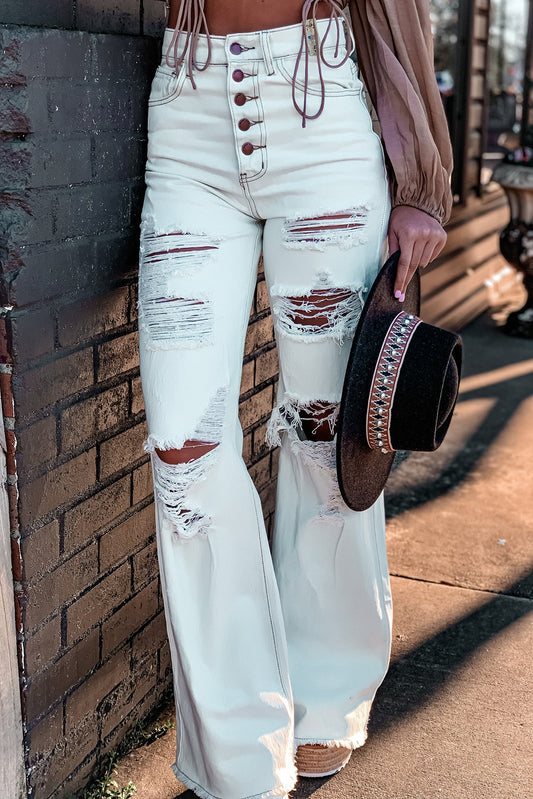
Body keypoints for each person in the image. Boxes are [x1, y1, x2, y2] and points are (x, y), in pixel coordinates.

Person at [137, 1, 453, 797]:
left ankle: (322, 703)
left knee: (325, 437)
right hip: (188, 114)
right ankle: (241, 762)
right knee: (181, 451)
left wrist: (421, 180)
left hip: (321, 115)